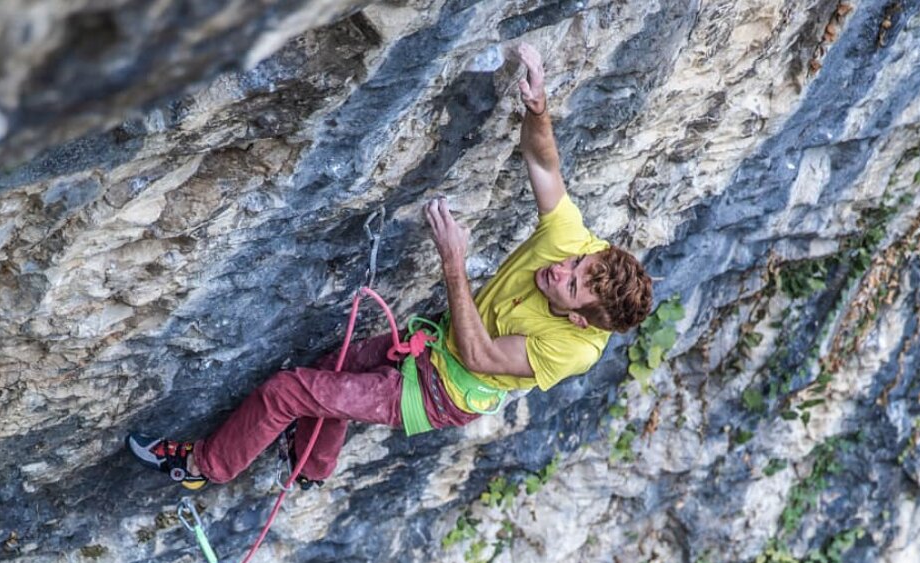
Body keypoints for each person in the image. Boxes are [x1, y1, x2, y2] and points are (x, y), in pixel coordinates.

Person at [127, 43, 654, 490]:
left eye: (573, 283)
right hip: (430, 346)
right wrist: (538, 108)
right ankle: (311, 466)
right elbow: (544, 163)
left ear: (580, 318)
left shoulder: (574, 350)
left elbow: (480, 353)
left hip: (439, 392)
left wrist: (453, 261)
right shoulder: (574, 246)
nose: (562, 267)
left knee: (285, 392)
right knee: (336, 365)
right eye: (578, 260)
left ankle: (204, 467)